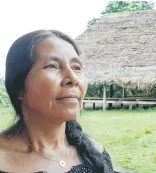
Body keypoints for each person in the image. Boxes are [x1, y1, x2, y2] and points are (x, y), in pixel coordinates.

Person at [0, 30, 113, 173]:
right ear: (19, 88)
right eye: (52, 66)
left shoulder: (96, 154)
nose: (73, 79)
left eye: (76, 67)